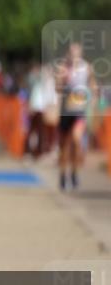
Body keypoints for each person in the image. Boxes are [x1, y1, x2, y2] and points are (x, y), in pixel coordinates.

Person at [55, 42, 97, 190]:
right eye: (71, 53)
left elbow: (93, 86)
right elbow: (57, 88)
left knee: (76, 139)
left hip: (79, 111)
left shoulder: (87, 68)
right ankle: (63, 175)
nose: (74, 55)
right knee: (64, 146)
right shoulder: (63, 68)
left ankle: (74, 172)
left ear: (80, 54)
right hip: (66, 111)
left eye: (76, 52)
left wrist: (92, 101)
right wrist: (62, 79)